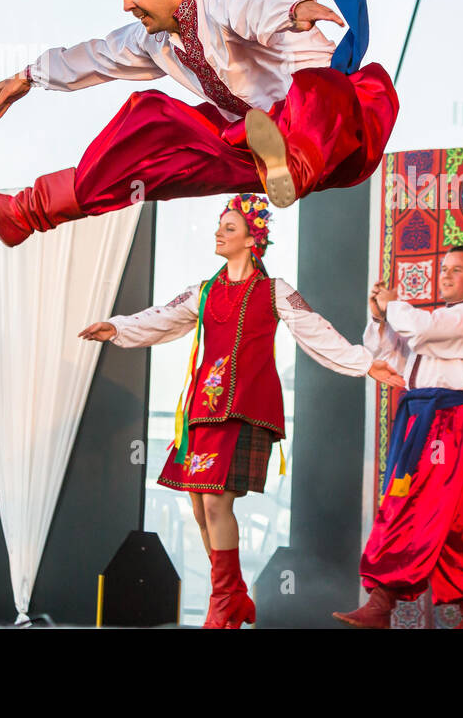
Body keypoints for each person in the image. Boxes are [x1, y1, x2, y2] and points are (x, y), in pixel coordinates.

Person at [0, 0, 398, 247]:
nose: (126, 4)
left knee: (313, 88)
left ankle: (293, 164)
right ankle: (26, 213)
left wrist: (297, 8)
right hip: (256, 149)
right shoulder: (156, 38)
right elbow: (94, 55)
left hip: (342, 127)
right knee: (148, 124)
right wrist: (27, 77)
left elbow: (256, 4)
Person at [79, 193, 403, 628]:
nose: (219, 233)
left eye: (229, 228)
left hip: (246, 408)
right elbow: (162, 316)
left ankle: (222, 602)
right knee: (199, 505)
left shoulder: (274, 291)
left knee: (216, 502)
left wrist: (365, 362)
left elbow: (316, 331)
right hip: (202, 411)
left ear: (253, 240)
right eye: (220, 226)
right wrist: (117, 326)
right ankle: (233, 596)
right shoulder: (205, 291)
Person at [333, 245, 463, 628]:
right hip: (427, 420)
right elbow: (390, 355)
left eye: (456, 270)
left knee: (413, 504)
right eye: (443, 268)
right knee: (462, 516)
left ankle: (382, 600)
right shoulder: (438, 319)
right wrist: (380, 317)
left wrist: (393, 305)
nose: (445, 275)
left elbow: (421, 329)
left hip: (449, 422)